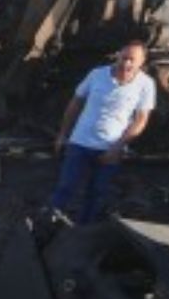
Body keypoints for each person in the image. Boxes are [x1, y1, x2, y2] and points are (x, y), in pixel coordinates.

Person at [49, 41, 156, 224]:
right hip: (80, 142)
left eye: (132, 60)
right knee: (66, 186)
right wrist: (63, 134)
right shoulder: (97, 75)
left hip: (110, 148)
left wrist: (118, 147)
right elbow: (75, 103)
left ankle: (83, 230)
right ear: (118, 56)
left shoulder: (146, 84)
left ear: (141, 62)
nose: (126, 63)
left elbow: (141, 120)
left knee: (96, 193)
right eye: (124, 58)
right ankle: (47, 224)